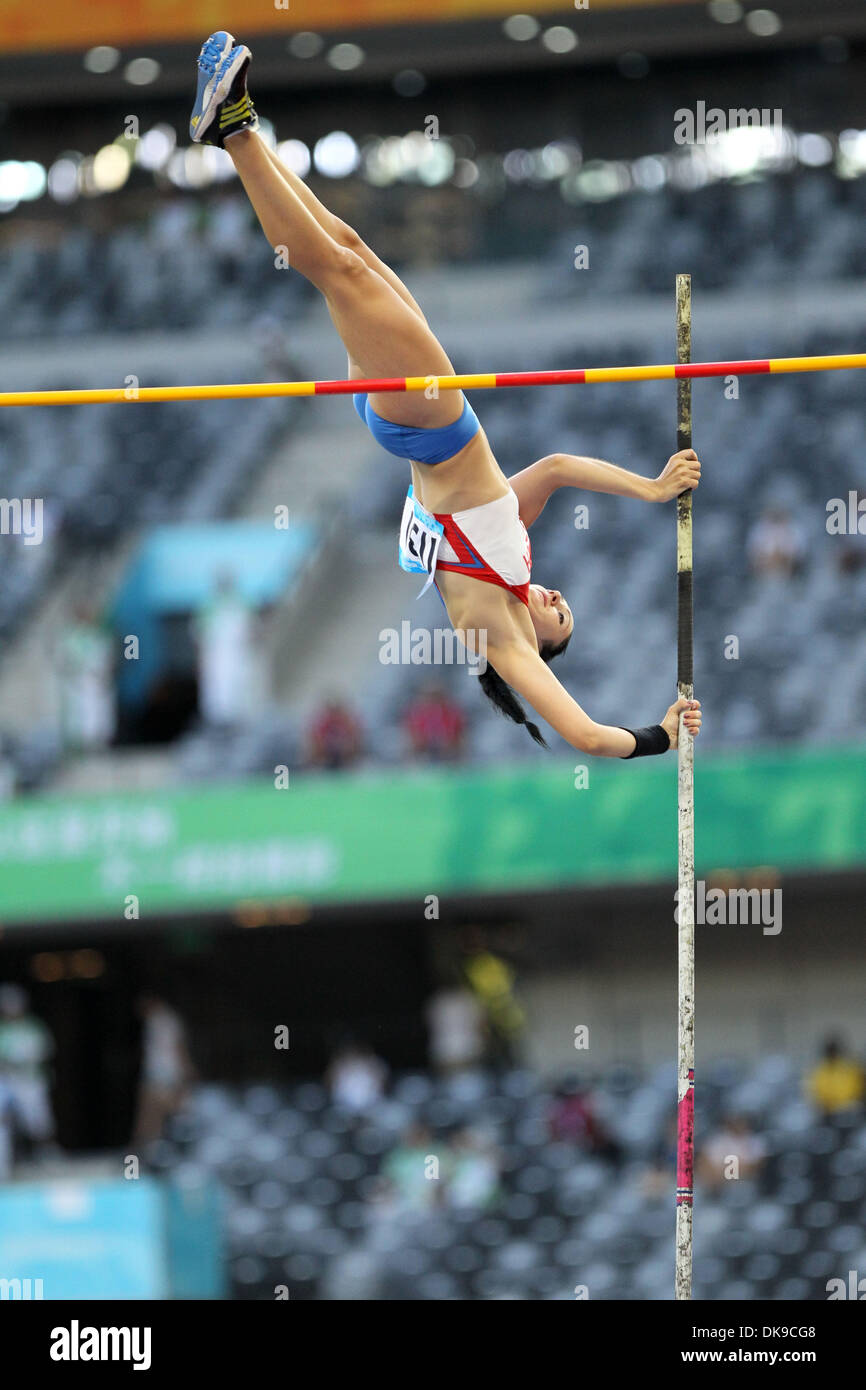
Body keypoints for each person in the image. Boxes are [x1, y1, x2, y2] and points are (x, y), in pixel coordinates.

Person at [189, 32, 702, 759]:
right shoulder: (510, 555)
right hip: (407, 425)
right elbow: (557, 465)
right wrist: (651, 489)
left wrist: (661, 736)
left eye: (565, 624)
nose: (561, 606)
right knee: (352, 249)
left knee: (337, 270)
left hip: (428, 425)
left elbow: (586, 734)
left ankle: (234, 131)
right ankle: (238, 125)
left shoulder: (501, 636)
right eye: (567, 607)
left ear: (542, 645)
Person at [0, 984, 55, 1162]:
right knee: (6, 1119)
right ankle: (9, 1157)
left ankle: (46, 1153)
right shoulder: (2, 1029)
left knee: (38, 1120)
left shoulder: (34, 1026)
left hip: (31, 1080)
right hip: (7, 1081)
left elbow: (45, 1050)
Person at [132, 996, 196, 1145]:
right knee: (152, 1114)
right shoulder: (153, 1020)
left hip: (166, 1074)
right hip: (156, 1073)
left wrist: (187, 1069)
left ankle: (146, 1149)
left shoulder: (167, 1020)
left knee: (163, 1111)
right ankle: (145, 1150)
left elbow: (178, 1047)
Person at [403, 683, 466, 762]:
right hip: (424, 751)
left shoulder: (452, 713)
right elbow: (413, 737)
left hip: (448, 752)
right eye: (429, 696)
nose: (433, 700)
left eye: (436, 696)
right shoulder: (417, 714)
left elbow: (457, 736)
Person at [805, 1037, 865, 1115]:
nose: (833, 1054)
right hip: (826, 1112)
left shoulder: (850, 1068)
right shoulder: (819, 1071)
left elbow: (857, 1090)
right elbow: (815, 1093)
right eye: (830, 1052)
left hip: (849, 1111)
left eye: (834, 1051)